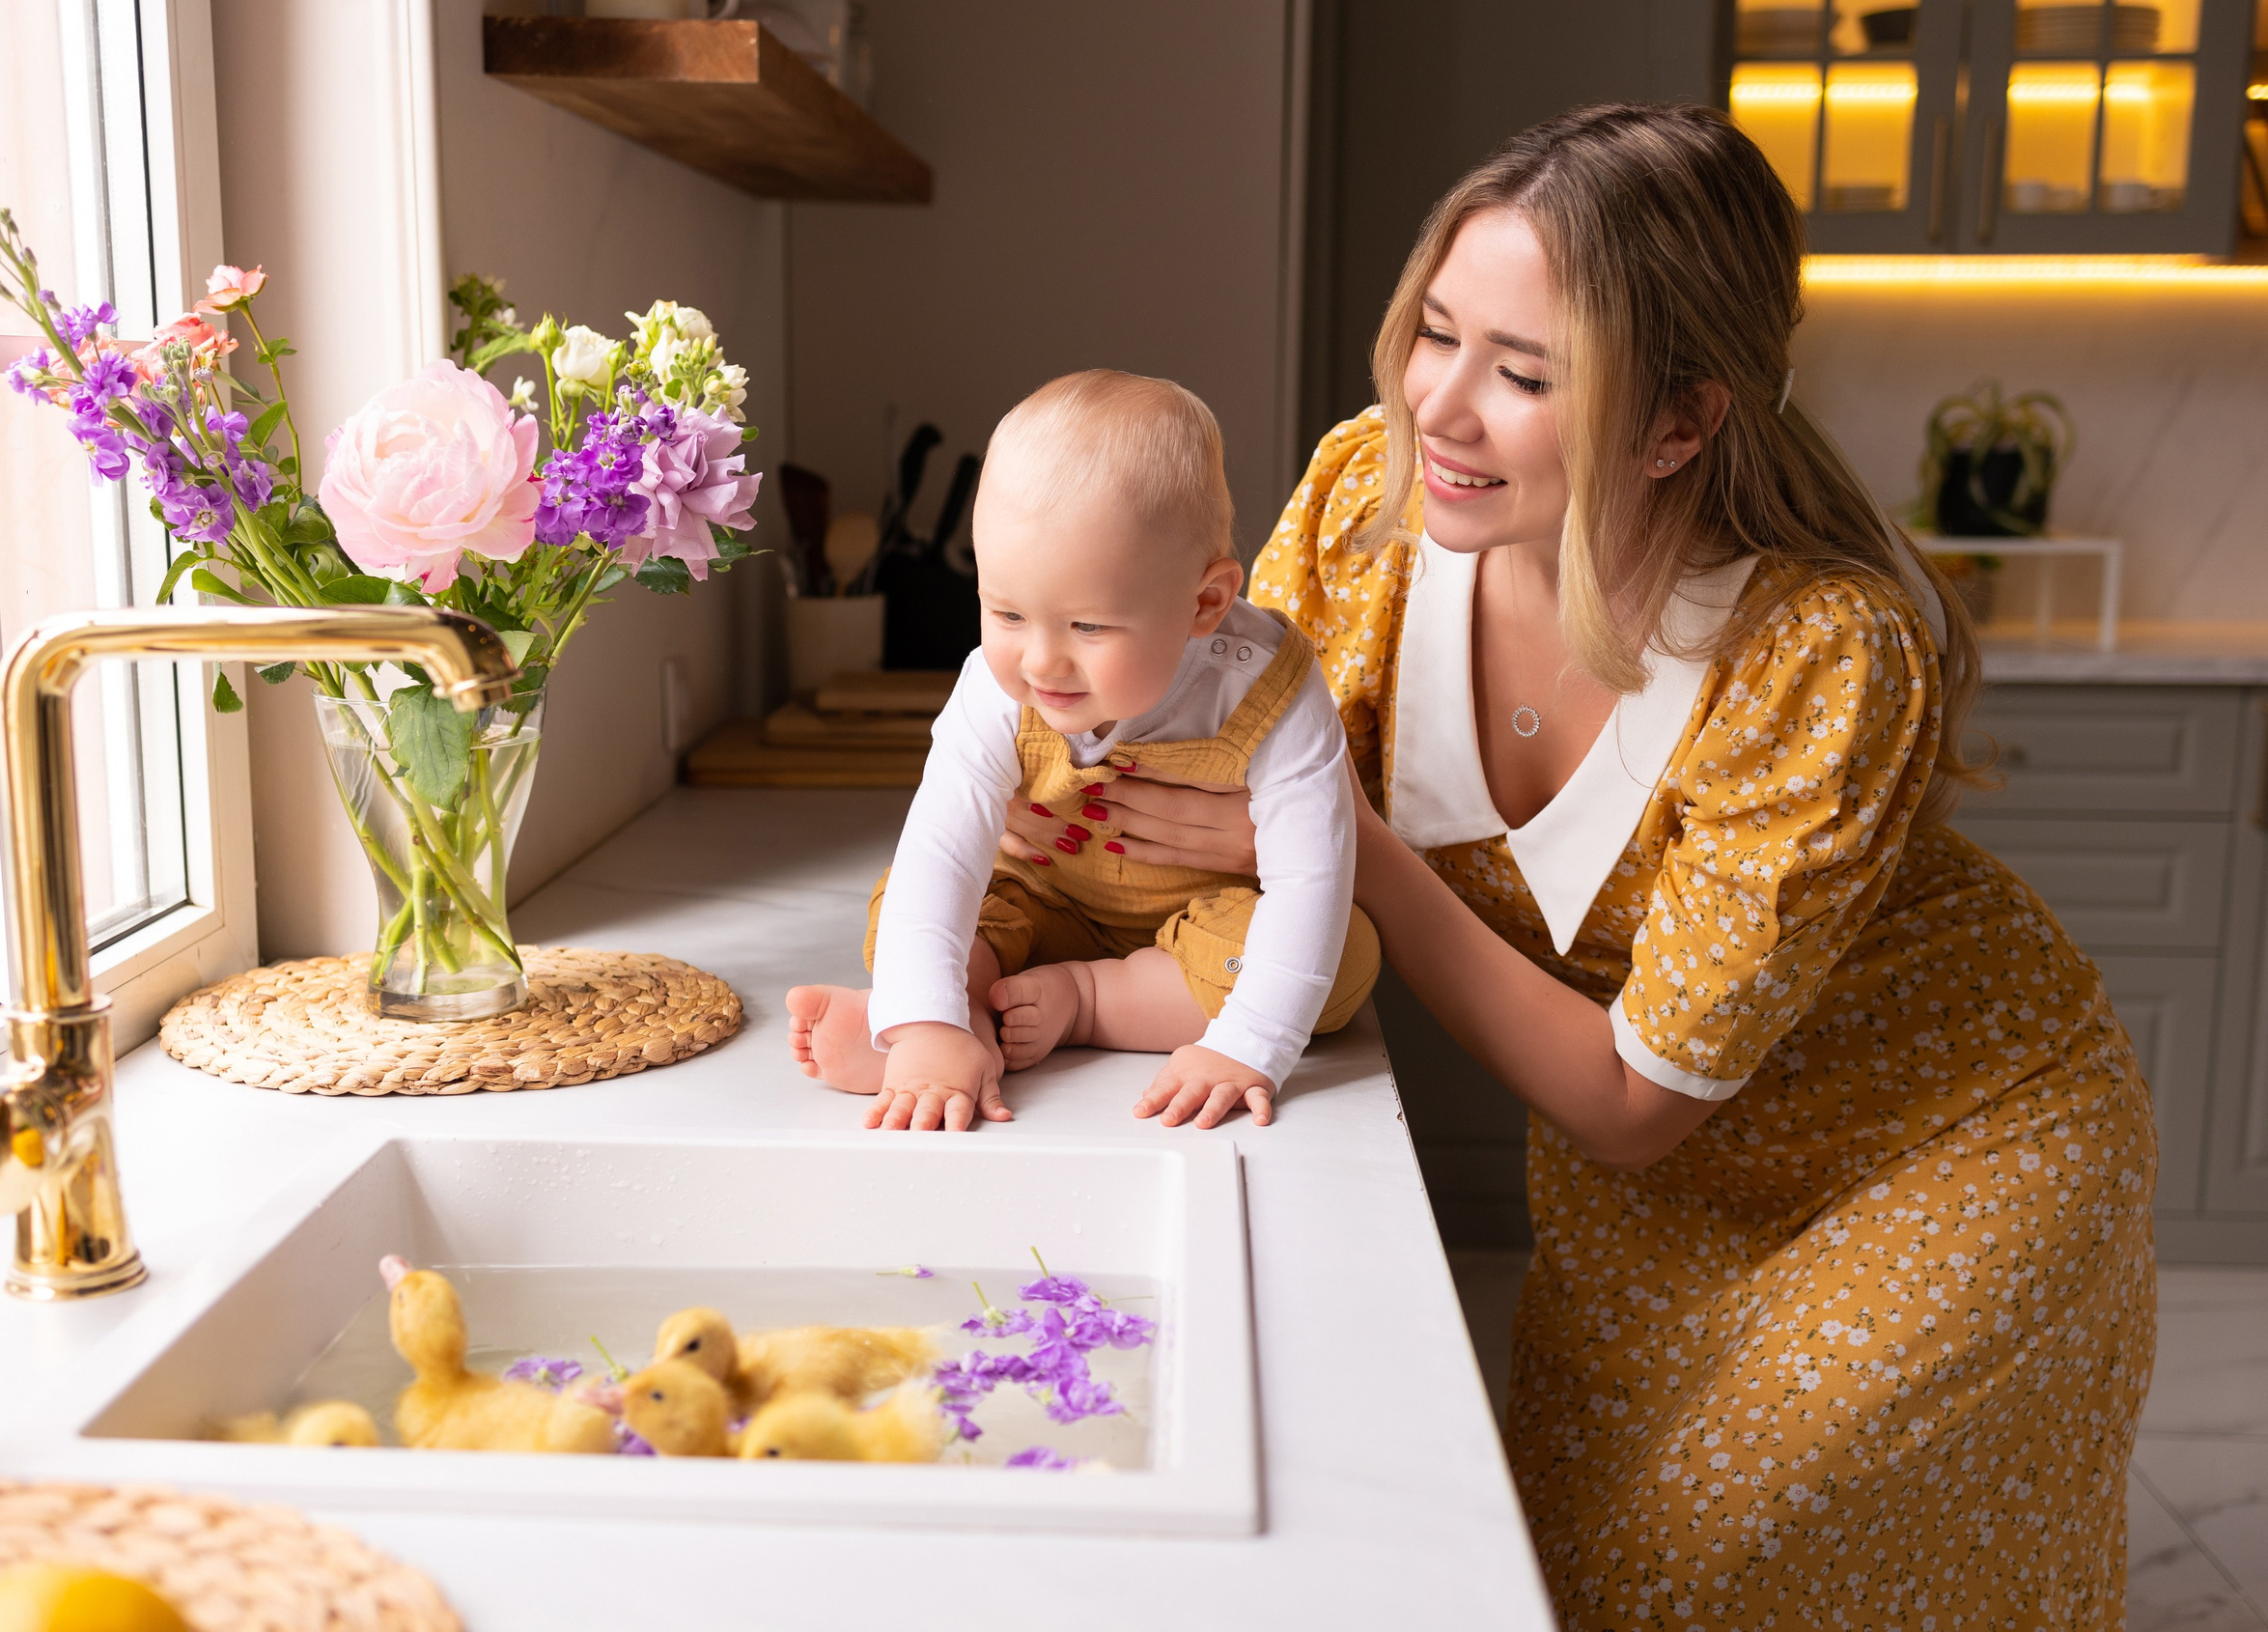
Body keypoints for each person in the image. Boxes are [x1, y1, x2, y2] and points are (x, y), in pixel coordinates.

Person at [1008, 106, 2158, 1624]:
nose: (1445, 408)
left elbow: (1635, 1099)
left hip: (1946, 1142)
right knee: (1561, 1584)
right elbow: (1178, 775)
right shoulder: (1371, 507)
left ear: (1679, 419)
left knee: (1697, 1570)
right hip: (1650, 1209)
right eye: (1436, 333)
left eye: (1526, 373)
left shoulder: (1817, 650)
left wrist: (1348, 848)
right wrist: (982, 941)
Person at [785, 370, 1378, 1134]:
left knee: (1342, 963)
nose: (1040, 662)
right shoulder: (994, 690)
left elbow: (1310, 876)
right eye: (1006, 612)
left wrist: (1248, 1047)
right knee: (909, 898)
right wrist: (924, 1020)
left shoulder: (1272, 690)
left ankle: (1089, 1000)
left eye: (1089, 627)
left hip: (1199, 929)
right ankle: (941, 1024)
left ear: (1205, 602)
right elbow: (943, 848)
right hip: (1044, 902)